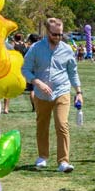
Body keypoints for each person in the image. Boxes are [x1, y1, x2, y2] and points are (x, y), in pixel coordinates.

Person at [21, 18, 84, 173]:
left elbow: (73, 72)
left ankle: (63, 161)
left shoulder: (67, 49)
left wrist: (79, 92)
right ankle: (42, 156)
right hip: (41, 95)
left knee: (62, 124)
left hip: (62, 91)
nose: (58, 37)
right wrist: (37, 82)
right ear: (47, 32)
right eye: (55, 34)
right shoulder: (35, 48)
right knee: (42, 125)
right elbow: (25, 69)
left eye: (60, 35)